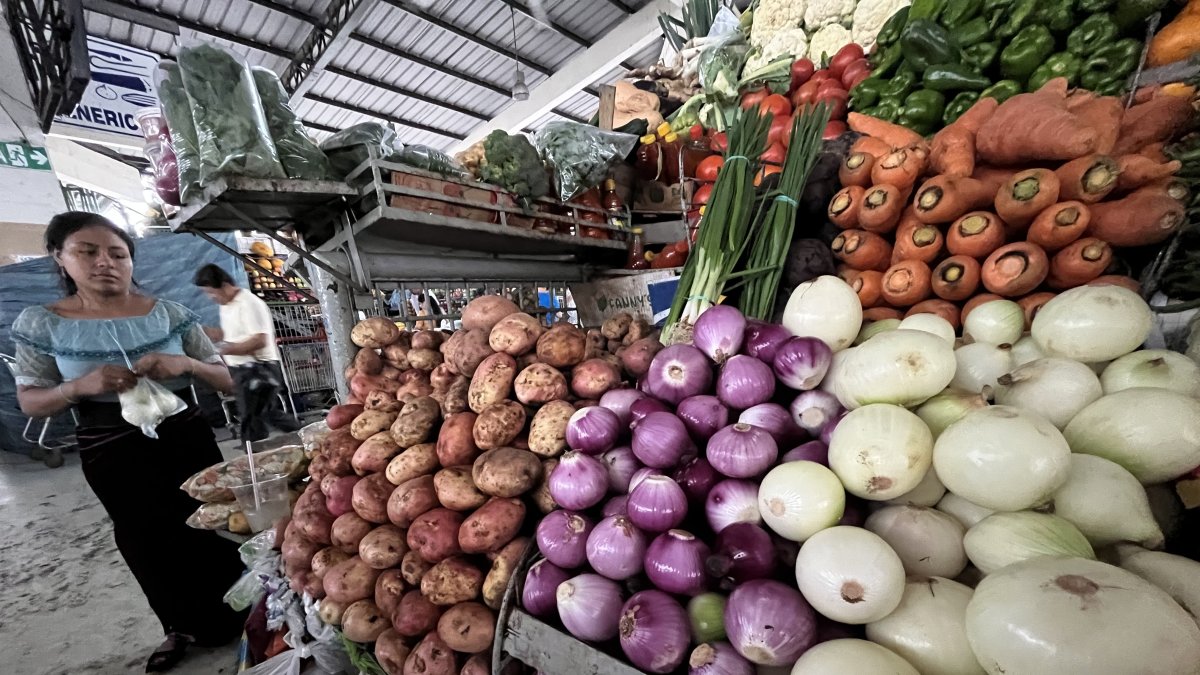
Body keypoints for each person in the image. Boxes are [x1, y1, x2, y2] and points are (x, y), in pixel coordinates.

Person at [12, 212, 247, 672]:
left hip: (185, 432)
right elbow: (30, 402)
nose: (105, 263)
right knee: (145, 537)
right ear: (59, 258)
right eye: (87, 252)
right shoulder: (43, 325)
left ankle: (244, 612)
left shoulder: (171, 315)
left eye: (117, 254)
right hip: (110, 442)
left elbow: (229, 379)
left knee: (216, 522)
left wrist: (188, 367)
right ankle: (179, 626)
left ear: (131, 261)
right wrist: (79, 386)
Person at [193, 264, 299, 441]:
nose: (211, 298)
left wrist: (226, 349)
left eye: (212, 293)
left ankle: (254, 454)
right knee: (262, 414)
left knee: (254, 418)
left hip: (259, 367)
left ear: (225, 285)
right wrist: (214, 334)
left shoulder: (249, 303)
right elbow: (235, 334)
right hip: (241, 369)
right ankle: (262, 451)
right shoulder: (226, 306)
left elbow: (259, 340)